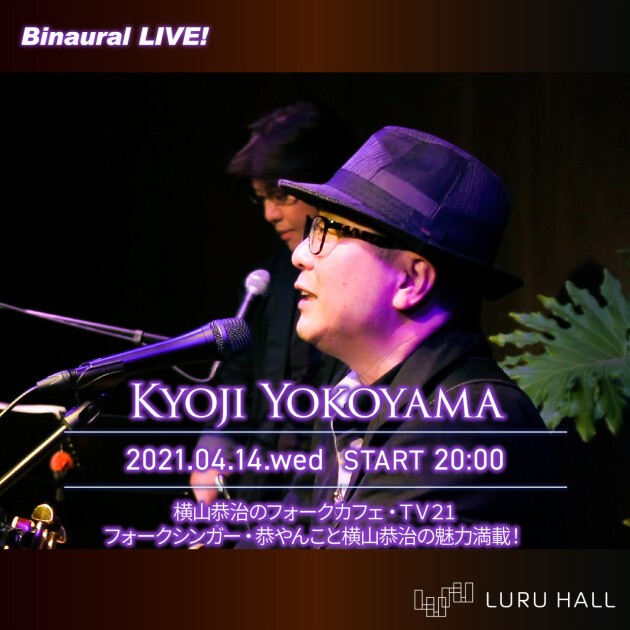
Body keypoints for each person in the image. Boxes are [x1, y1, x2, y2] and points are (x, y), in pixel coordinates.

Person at [280, 126, 565, 547]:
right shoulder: (350, 397)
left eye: (331, 231)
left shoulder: (469, 420)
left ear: (411, 281)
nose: (301, 253)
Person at [190, 102, 355, 504]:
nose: (269, 213)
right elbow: (239, 378)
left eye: (281, 196)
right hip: (261, 491)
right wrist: (216, 442)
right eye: (261, 198)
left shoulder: (364, 282)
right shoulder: (269, 279)